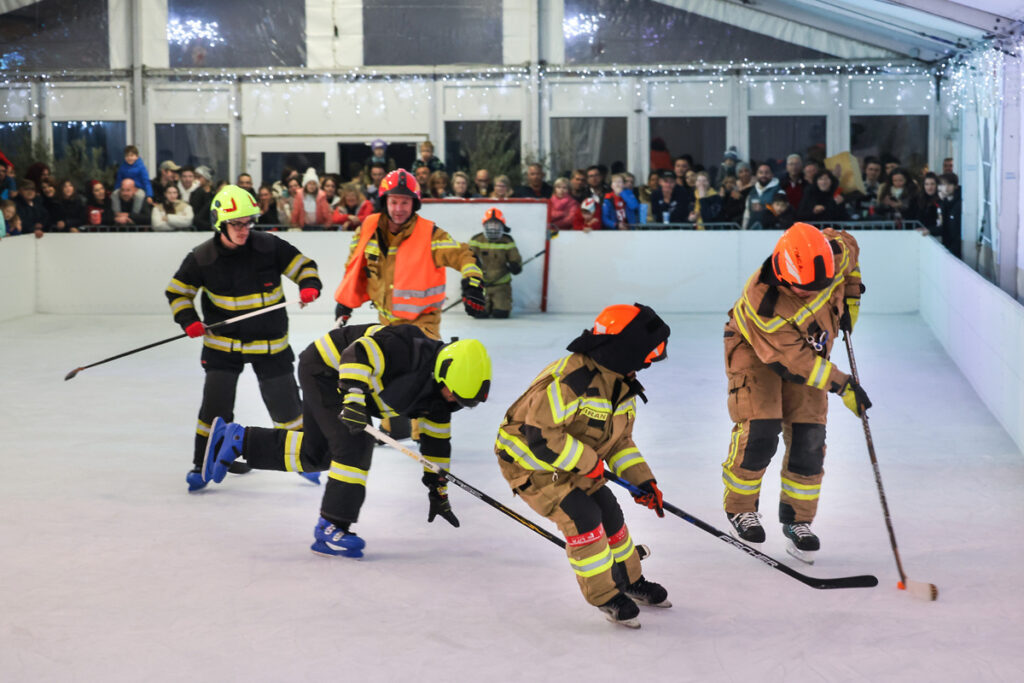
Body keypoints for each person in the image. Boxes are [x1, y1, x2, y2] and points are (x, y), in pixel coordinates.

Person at [200, 323, 492, 558]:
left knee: (318, 455)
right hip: (327, 370)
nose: (454, 402)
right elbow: (358, 354)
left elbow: (437, 444)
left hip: (349, 388)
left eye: (462, 401)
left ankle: (239, 440)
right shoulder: (406, 345)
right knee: (354, 444)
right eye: (454, 394)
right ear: (443, 372)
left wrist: (437, 489)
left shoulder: (441, 401)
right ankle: (332, 525)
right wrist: (353, 399)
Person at [494, 303, 672, 627]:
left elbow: (619, 442)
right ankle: (605, 596)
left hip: (571, 461)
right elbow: (541, 437)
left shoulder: (620, 384)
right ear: (625, 351)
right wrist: (589, 463)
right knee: (585, 518)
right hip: (531, 465)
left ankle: (628, 579)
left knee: (610, 513)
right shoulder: (571, 382)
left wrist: (643, 481)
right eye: (644, 358)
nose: (644, 367)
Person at [721, 223, 868, 562]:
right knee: (761, 430)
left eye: (821, 285)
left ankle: (798, 520)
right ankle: (740, 508)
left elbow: (852, 254)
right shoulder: (764, 299)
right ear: (785, 274)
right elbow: (797, 361)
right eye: (803, 289)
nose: (811, 293)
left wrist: (851, 296)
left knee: (810, 437)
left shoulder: (835, 253)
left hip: (807, 352)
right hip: (756, 351)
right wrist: (843, 385)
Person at [164, 184, 322, 492]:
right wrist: (189, 320)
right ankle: (202, 463)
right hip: (223, 347)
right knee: (215, 408)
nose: (243, 229)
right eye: (236, 223)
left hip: (270, 345)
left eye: (247, 222)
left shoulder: (269, 246)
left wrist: (309, 285)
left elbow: (304, 266)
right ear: (220, 223)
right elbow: (178, 292)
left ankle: (308, 459)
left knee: (288, 409)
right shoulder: (202, 257)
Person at [333, 168, 485, 340]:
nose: (399, 209)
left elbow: (464, 255)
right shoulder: (367, 231)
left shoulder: (431, 235)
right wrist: (345, 304)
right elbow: (354, 268)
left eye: (405, 202)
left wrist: (473, 284)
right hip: (386, 326)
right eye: (394, 202)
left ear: (414, 204)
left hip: (422, 331)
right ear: (385, 202)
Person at [468, 208, 524, 318]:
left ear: (502, 226)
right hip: (481, 285)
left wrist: (515, 266)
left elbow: (515, 259)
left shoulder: (507, 241)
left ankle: (498, 306)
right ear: (485, 226)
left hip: (501, 285)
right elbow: (466, 258)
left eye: (496, 225)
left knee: (501, 314)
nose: (493, 228)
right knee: (480, 314)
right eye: (490, 225)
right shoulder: (476, 240)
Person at [742, 164, 781, 230]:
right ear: (756, 175)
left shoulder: (779, 191)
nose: (763, 175)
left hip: (772, 230)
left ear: (772, 175)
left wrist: (764, 208)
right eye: (761, 173)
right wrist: (743, 230)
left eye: (766, 172)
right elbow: (747, 215)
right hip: (752, 232)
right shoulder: (752, 192)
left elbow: (781, 212)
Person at [937, 172, 961, 258]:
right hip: (949, 248)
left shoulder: (959, 204)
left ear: (955, 186)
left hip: (956, 251)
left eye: (949, 184)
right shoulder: (945, 202)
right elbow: (942, 224)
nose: (946, 188)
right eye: (943, 185)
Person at [190, 166, 215, 230]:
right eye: (195, 177)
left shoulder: (214, 192)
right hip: (199, 226)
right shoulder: (195, 192)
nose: (196, 180)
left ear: (206, 178)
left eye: (199, 177)